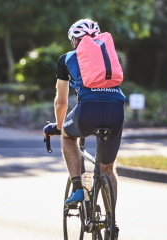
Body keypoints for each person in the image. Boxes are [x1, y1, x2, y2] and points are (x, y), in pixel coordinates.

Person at [44, 19, 126, 207]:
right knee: (108, 169)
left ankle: (78, 188)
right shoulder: (108, 55)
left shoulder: (67, 58)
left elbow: (61, 102)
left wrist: (58, 125)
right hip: (116, 111)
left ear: (74, 40)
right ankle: (110, 227)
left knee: (67, 136)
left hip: (88, 111)